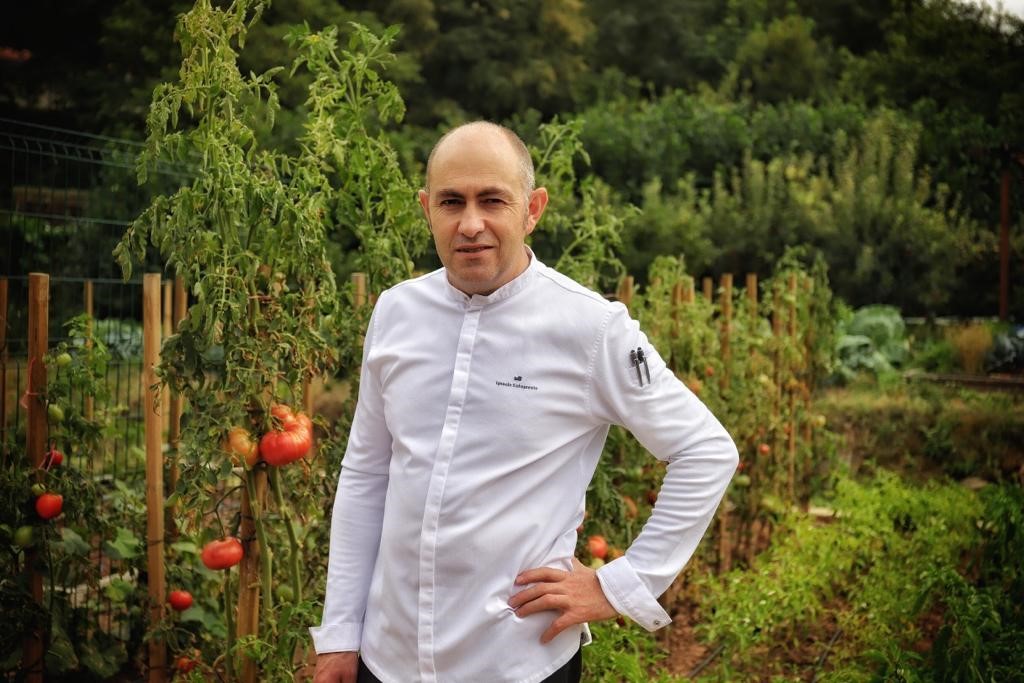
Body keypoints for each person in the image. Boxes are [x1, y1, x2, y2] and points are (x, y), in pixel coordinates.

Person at [310, 121, 738, 683]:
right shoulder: (395, 312)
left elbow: (705, 451)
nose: (470, 224)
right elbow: (366, 472)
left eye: (493, 200)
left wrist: (621, 586)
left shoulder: (590, 328)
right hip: (388, 657)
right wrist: (341, 634)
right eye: (451, 202)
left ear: (532, 208)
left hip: (516, 659)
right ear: (426, 209)